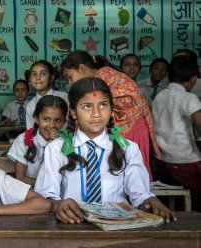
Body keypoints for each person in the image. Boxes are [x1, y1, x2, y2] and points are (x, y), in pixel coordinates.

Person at [35, 77, 177, 224]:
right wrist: (56, 204)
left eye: (103, 105)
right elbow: (47, 194)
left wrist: (150, 200)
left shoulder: (127, 148)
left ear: (111, 110)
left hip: (117, 225)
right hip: (72, 223)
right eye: (87, 106)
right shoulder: (56, 148)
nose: (96, 113)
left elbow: (139, 194)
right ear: (73, 113)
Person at [60, 50, 160, 181]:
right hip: (123, 129)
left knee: (132, 176)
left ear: (82, 68)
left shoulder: (104, 77)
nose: (69, 82)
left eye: (70, 76)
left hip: (132, 130)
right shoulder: (99, 78)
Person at [152, 56, 201, 212]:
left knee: (173, 204)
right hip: (186, 160)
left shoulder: (159, 96)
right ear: (193, 79)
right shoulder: (189, 98)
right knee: (195, 205)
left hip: (163, 160)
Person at [8, 95, 67, 187]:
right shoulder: (22, 140)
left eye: (58, 120)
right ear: (36, 119)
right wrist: (48, 186)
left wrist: (57, 143)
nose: (52, 125)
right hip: (32, 194)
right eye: (46, 119)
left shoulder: (68, 143)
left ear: (64, 122)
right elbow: (21, 178)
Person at [25, 60, 69, 129]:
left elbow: (68, 124)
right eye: (34, 74)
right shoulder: (30, 106)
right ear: (30, 79)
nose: (37, 78)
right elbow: (30, 131)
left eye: (43, 73)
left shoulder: (63, 97)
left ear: (51, 78)